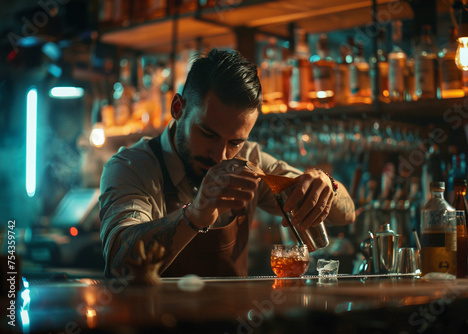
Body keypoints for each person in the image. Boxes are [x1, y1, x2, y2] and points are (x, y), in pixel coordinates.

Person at [99, 49, 355, 278]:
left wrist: (326, 187)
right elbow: (119, 264)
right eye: (208, 134)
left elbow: (347, 214)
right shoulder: (131, 166)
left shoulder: (251, 163)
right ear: (177, 108)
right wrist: (196, 214)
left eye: (235, 142)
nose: (220, 156)